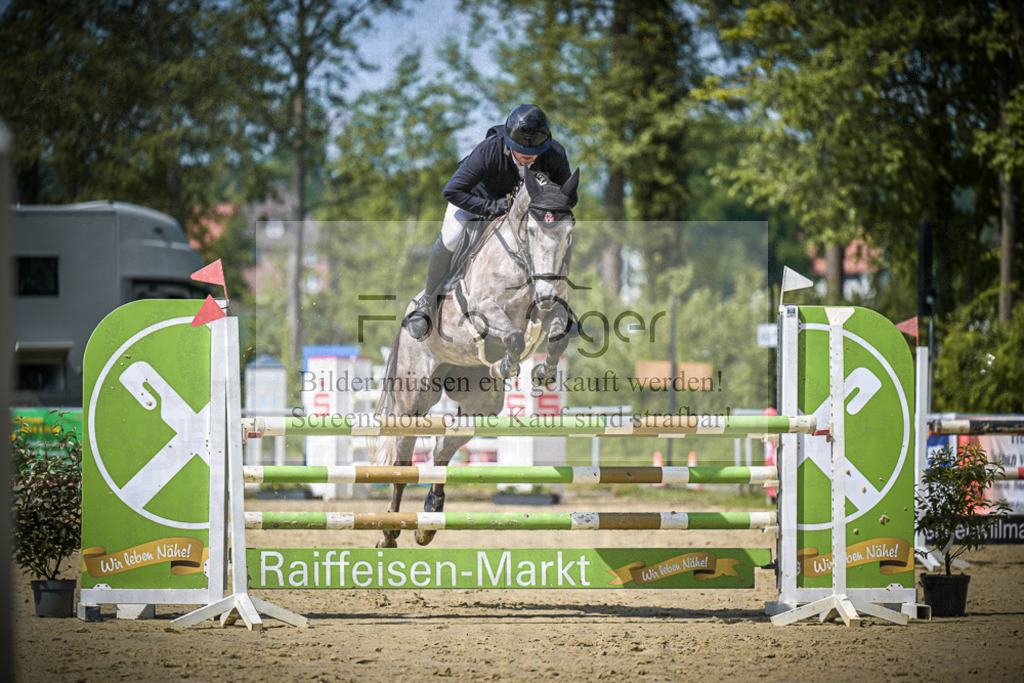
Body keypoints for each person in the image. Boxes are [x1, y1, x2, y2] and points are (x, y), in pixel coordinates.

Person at [404, 103, 572, 340]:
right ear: (509, 142)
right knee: (452, 238)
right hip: (475, 200)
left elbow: (565, 199)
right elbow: (452, 191)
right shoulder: (489, 150)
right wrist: (491, 207)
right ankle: (426, 304)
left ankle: (562, 302)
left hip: (523, 214)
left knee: (560, 234)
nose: (527, 154)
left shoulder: (555, 154)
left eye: (534, 150)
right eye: (520, 148)